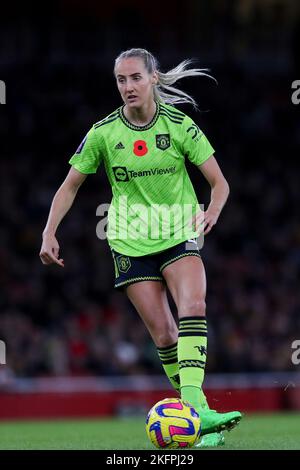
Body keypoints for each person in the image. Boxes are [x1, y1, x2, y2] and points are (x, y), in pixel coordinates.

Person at [40, 48, 242, 448]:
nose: (127, 86)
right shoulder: (103, 133)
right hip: (129, 241)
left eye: (135, 78)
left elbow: (220, 184)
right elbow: (70, 186)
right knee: (165, 334)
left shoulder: (180, 125)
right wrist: (49, 232)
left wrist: (212, 211)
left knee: (194, 307)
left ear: (153, 79)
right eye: (121, 79)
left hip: (177, 234)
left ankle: (194, 410)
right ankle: (198, 414)